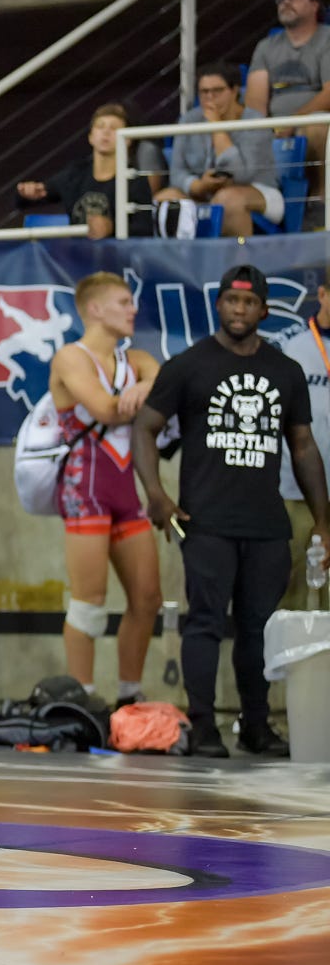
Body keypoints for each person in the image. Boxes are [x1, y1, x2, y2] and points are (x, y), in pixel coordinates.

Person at [134, 264, 330, 758]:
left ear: (263, 309)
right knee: (203, 622)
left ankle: (256, 726)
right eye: (230, 301)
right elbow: (144, 427)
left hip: (266, 523)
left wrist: (324, 520)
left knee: (258, 628)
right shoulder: (189, 364)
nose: (238, 310)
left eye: (248, 303)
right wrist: (156, 495)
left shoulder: (284, 370)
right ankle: (203, 726)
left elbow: (303, 448)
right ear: (219, 304)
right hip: (206, 522)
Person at [47, 273, 163, 700]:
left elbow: (166, 384)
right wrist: (147, 392)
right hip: (85, 492)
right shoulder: (71, 359)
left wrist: (149, 386)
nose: (133, 309)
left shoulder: (137, 361)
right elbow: (108, 409)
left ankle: (129, 696)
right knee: (89, 604)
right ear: (95, 309)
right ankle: (83, 699)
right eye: (124, 301)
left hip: (125, 493)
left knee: (148, 598)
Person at [153, 64, 282, 237]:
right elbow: (177, 173)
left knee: (226, 199)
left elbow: (243, 175)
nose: (210, 98)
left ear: (235, 90)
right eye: (204, 92)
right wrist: (198, 186)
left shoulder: (255, 121)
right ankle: (179, 262)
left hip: (258, 191)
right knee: (165, 199)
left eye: (217, 91)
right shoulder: (189, 120)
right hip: (204, 193)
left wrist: (217, 128)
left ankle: (238, 262)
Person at [246, 0, 330, 210]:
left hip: (314, 123)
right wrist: (266, 130)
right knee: (248, 128)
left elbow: (329, 93)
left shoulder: (327, 39)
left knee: (316, 127)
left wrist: (293, 123)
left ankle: (319, 202)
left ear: (315, 5)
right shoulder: (266, 47)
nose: (285, 2)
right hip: (278, 126)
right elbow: (255, 102)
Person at [15, 103, 155, 238]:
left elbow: (145, 230)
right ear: (91, 137)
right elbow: (29, 199)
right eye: (100, 126)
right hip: (77, 258)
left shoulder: (134, 180)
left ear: (127, 140)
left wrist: (111, 228)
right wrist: (27, 193)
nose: (106, 132)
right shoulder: (75, 173)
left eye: (114, 128)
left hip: (117, 259)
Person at [279, 273, 330, 609]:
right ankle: (281, 664)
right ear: (322, 294)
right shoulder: (287, 345)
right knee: (289, 595)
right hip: (296, 494)